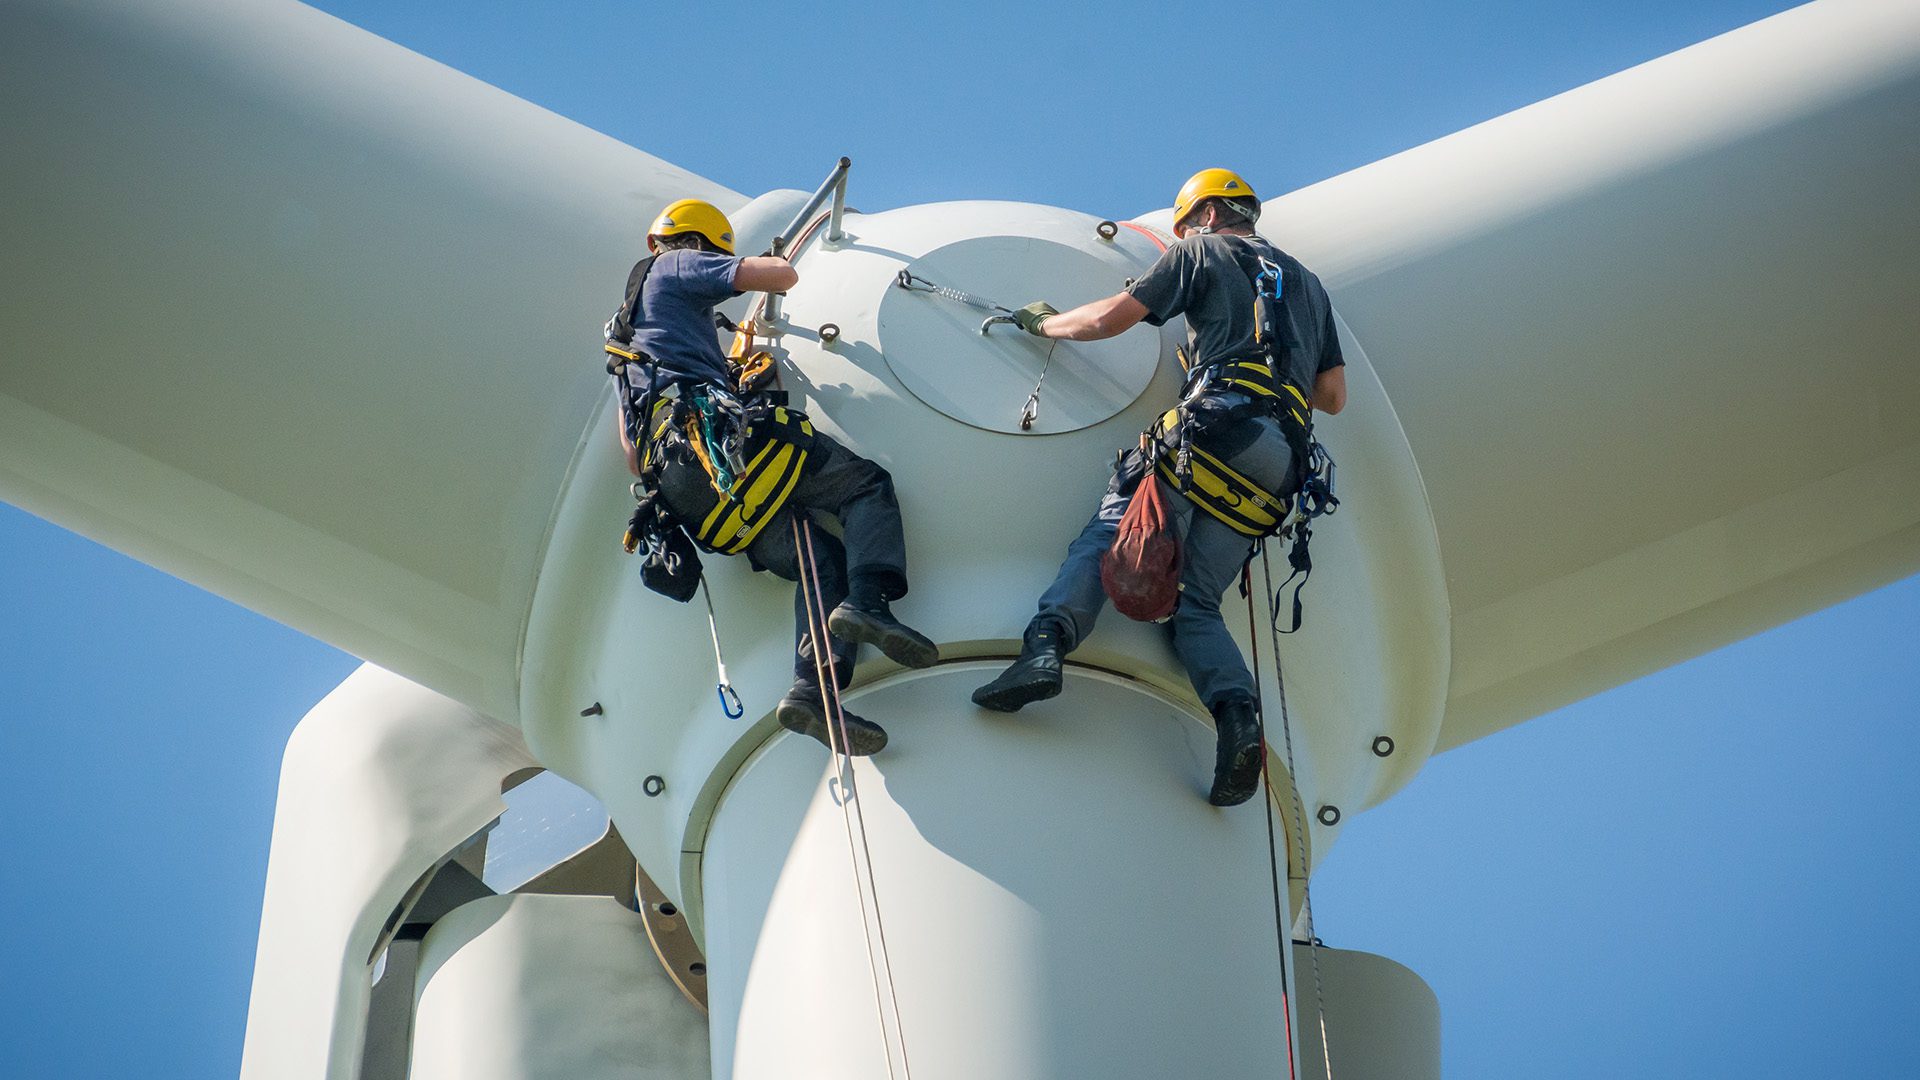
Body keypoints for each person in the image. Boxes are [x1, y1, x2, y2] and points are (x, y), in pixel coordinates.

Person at [971, 169, 1347, 805]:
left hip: (1215, 427)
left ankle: (1044, 650)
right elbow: (1332, 397)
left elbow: (1111, 320)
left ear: (1201, 216)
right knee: (1195, 603)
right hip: (1280, 464)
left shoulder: (1199, 252)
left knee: (1111, 534)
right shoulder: (1308, 286)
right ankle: (1238, 720)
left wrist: (1045, 325)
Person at [607, 198, 938, 756]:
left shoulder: (622, 335)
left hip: (687, 488)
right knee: (863, 485)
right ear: (700, 243)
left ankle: (812, 692)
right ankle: (869, 603)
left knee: (818, 558)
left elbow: (630, 455)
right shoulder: (677, 265)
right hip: (723, 446)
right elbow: (780, 274)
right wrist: (758, 268)